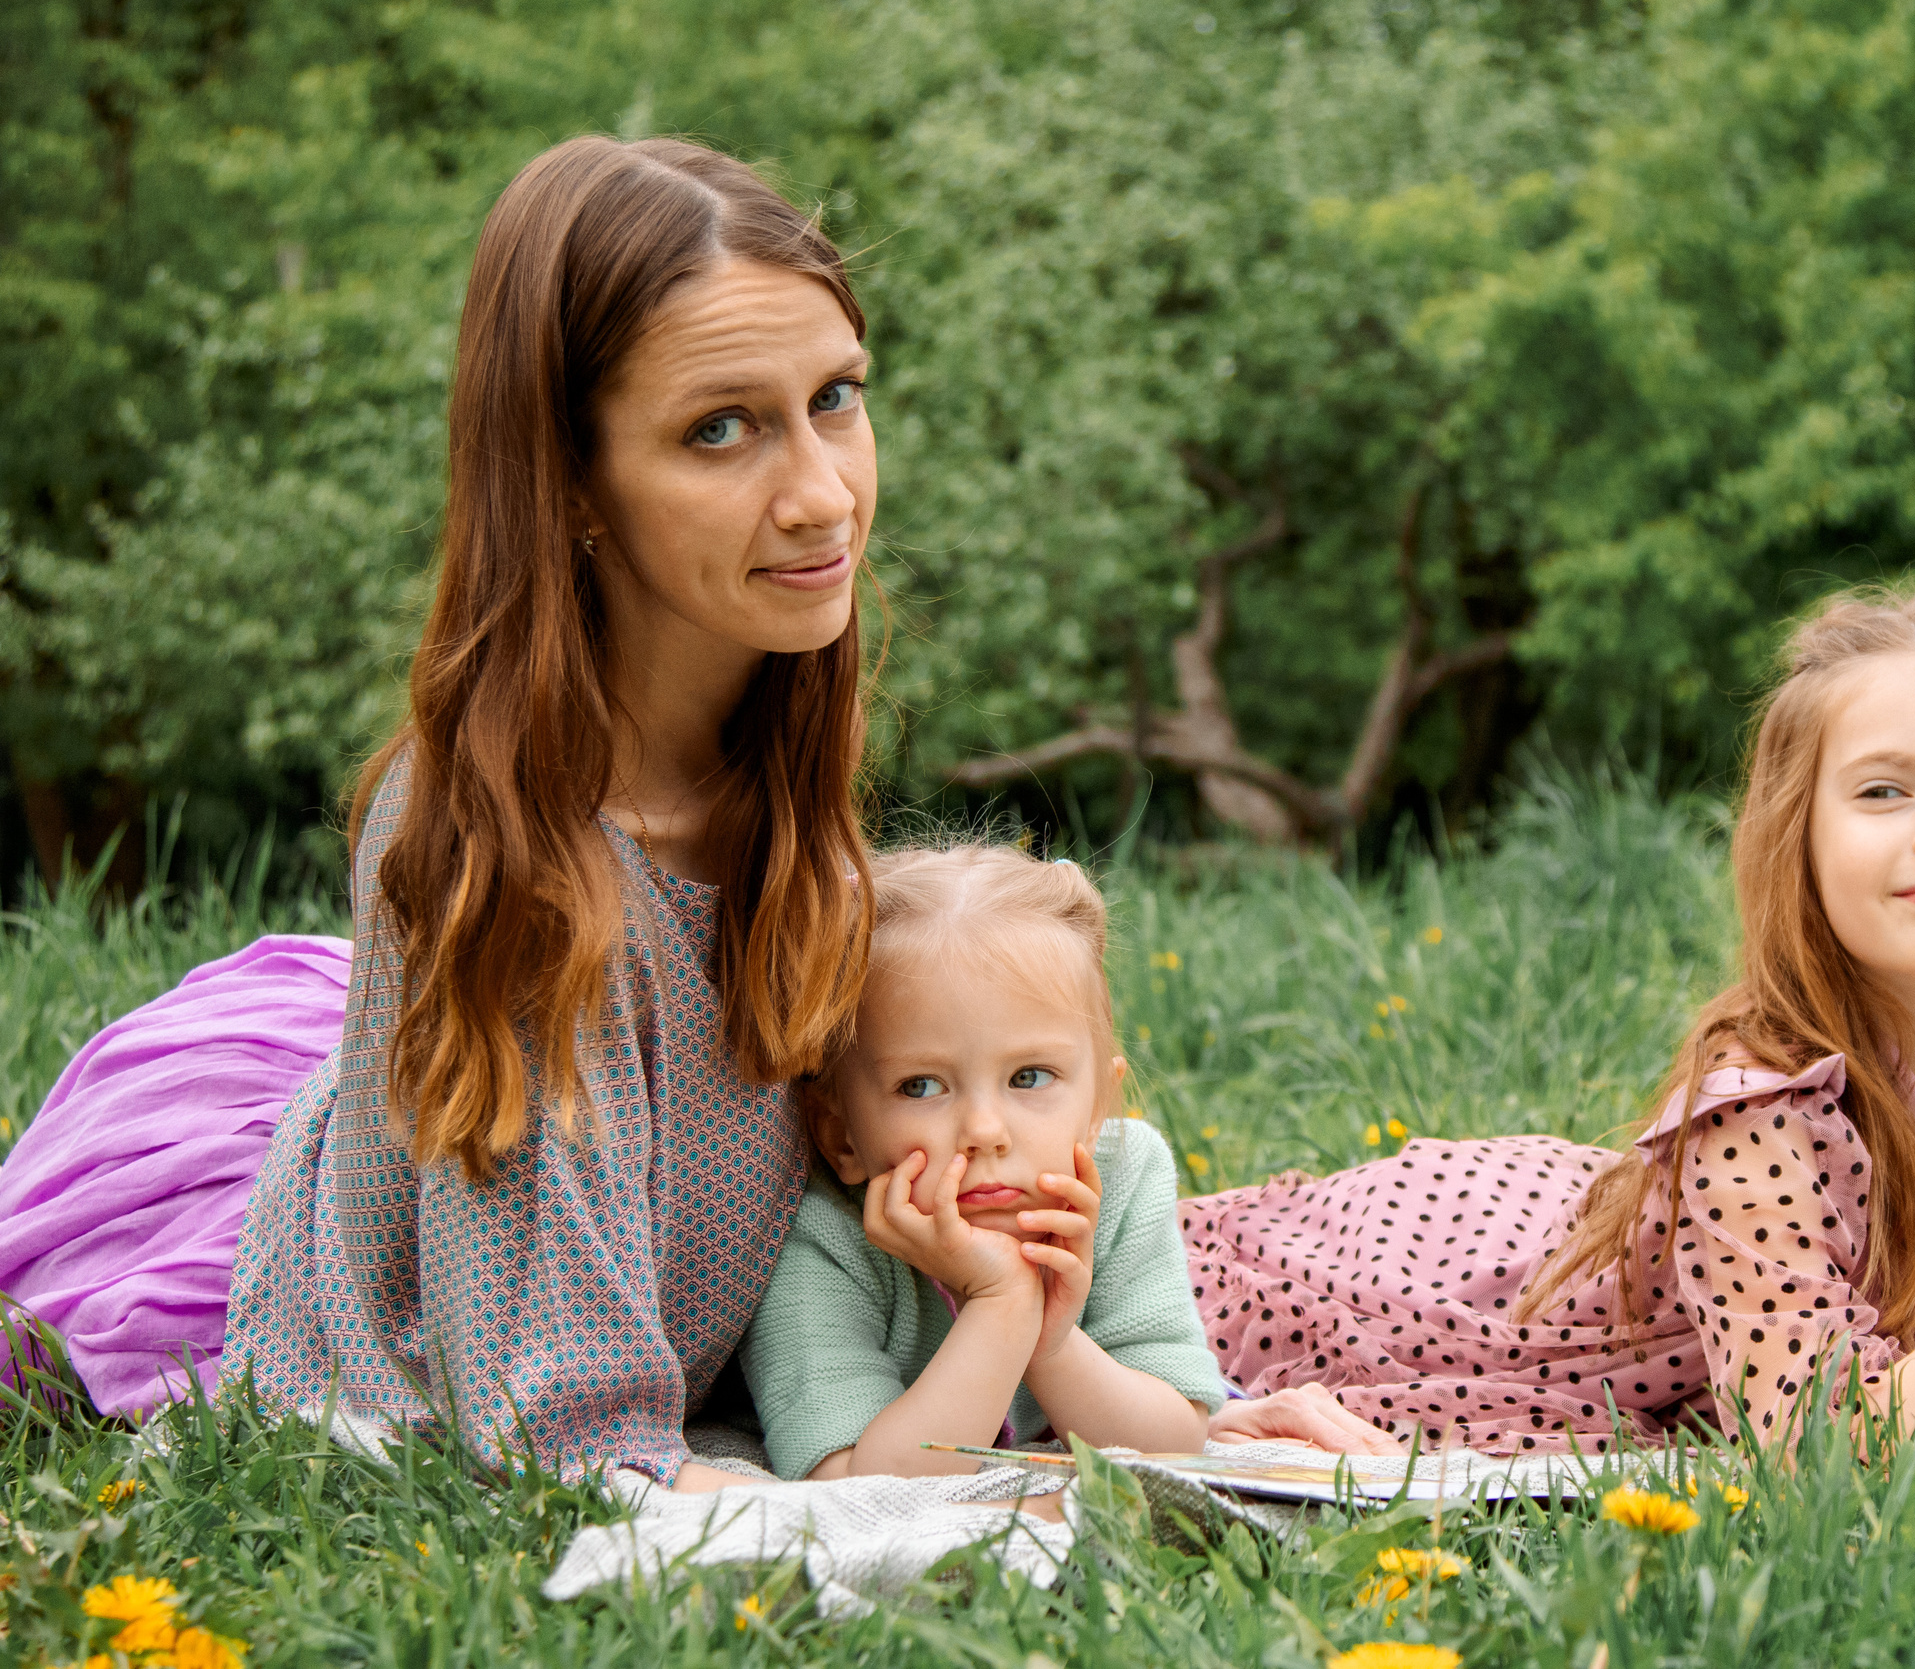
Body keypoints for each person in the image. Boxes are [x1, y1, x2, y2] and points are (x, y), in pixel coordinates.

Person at [0, 136, 878, 1493]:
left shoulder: (772, 747)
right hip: (366, 1310)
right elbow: (572, 1451)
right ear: (572, 485)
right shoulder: (501, 848)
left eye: (836, 397)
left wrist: (1149, 1389)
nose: (822, 491)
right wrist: (1023, 1488)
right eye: (721, 427)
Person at [1182, 589, 1915, 1480]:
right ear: (1798, 851)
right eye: (1884, 792)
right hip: (1453, 1285)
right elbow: (1817, 1457)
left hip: (1575, 1215)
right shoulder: (1759, 1117)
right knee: (1111, 1281)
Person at [740, 845, 1227, 1481]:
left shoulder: (1126, 1175)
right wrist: (1002, 1305)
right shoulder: (821, 1235)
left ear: (1097, 1107)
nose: (984, 1132)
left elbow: (1174, 1440)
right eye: (921, 1086)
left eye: (1030, 1076)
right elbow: (855, 1483)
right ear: (840, 1136)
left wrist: (1051, 1345)